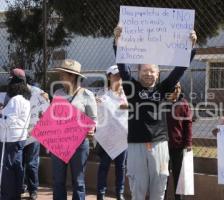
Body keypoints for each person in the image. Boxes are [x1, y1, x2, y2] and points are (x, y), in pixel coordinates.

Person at [114, 25, 197, 200]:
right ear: (138, 72)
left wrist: (191, 47)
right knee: (138, 188)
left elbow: (179, 70)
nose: (148, 74)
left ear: (158, 73)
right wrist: (118, 42)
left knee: (159, 187)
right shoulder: (132, 88)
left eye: (152, 71)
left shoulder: (163, 89)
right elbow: (122, 67)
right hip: (136, 144)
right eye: (144, 71)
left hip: (160, 144)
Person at [52, 59, 97, 200]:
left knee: (78, 182)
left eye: (63, 75)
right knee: (58, 181)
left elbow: (93, 119)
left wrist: (92, 128)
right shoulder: (58, 93)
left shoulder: (87, 95)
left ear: (72, 76)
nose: (60, 78)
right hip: (59, 143)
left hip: (79, 144)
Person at [95, 65, 128, 200]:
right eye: (115, 75)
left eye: (120, 76)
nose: (118, 78)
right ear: (108, 76)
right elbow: (97, 115)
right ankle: (100, 193)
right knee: (104, 166)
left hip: (123, 137)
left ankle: (119, 193)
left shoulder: (128, 94)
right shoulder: (101, 94)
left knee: (121, 167)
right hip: (106, 137)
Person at [0, 68, 31, 199]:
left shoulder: (15, 100)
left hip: (10, 140)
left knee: (7, 170)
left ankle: (7, 196)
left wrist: (0, 114)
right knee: (16, 167)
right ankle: (15, 195)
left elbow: (7, 121)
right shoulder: (25, 100)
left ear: (14, 83)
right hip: (19, 139)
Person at [22, 73, 49, 200]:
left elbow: (46, 105)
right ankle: (21, 187)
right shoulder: (14, 93)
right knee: (20, 162)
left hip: (33, 134)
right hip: (20, 134)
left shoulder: (37, 92)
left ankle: (33, 190)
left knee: (31, 163)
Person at [166, 82, 192, 200]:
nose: (177, 90)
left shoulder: (184, 104)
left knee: (178, 175)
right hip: (162, 146)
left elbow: (188, 125)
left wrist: (188, 143)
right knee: (162, 175)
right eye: (174, 87)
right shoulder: (161, 103)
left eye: (179, 87)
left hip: (178, 146)